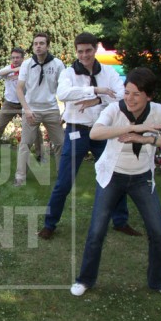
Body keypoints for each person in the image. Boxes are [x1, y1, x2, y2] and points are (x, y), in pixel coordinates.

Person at [71, 67, 161, 299]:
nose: (130, 98)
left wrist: (147, 139)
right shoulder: (116, 109)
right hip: (112, 176)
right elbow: (95, 133)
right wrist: (132, 128)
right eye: (127, 92)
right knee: (96, 231)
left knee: (158, 232)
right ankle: (84, 280)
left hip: (142, 179)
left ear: (149, 96)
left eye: (136, 94)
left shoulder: (158, 112)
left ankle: (159, 282)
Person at [38, 32, 140, 239]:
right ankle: (50, 224)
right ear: (76, 51)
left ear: (95, 49)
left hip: (103, 131)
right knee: (64, 181)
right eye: (80, 51)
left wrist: (96, 100)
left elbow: (121, 96)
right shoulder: (68, 73)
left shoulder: (109, 72)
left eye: (88, 51)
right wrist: (97, 90)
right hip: (78, 130)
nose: (84, 55)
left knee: (114, 176)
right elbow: (64, 94)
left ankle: (120, 221)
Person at [15, 33, 66, 186]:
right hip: (32, 111)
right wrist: (27, 110)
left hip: (51, 110)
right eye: (35, 43)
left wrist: (66, 112)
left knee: (60, 144)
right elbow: (19, 89)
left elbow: (65, 90)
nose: (38, 46)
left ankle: (62, 177)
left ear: (48, 46)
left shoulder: (57, 64)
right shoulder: (27, 64)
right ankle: (20, 178)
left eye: (41, 43)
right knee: (25, 144)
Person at [0, 48, 43, 162]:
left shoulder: (29, 69)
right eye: (13, 57)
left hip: (25, 104)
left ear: (22, 58)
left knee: (35, 128)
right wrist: (15, 69)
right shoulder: (8, 68)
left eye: (18, 57)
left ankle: (40, 154)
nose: (15, 60)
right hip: (10, 103)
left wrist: (20, 72)